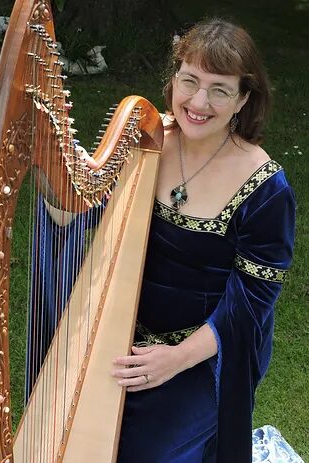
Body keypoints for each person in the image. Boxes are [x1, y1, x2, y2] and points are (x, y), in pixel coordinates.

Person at [110, 18, 296, 463]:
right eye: (189, 80)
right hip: (127, 338)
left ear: (243, 100)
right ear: (173, 79)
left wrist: (173, 359)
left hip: (209, 352)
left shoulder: (266, 187)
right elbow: (87, 220)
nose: (198, 101)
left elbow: (252, 302)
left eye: (219, 89)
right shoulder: (147, 143)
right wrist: (50, 189)